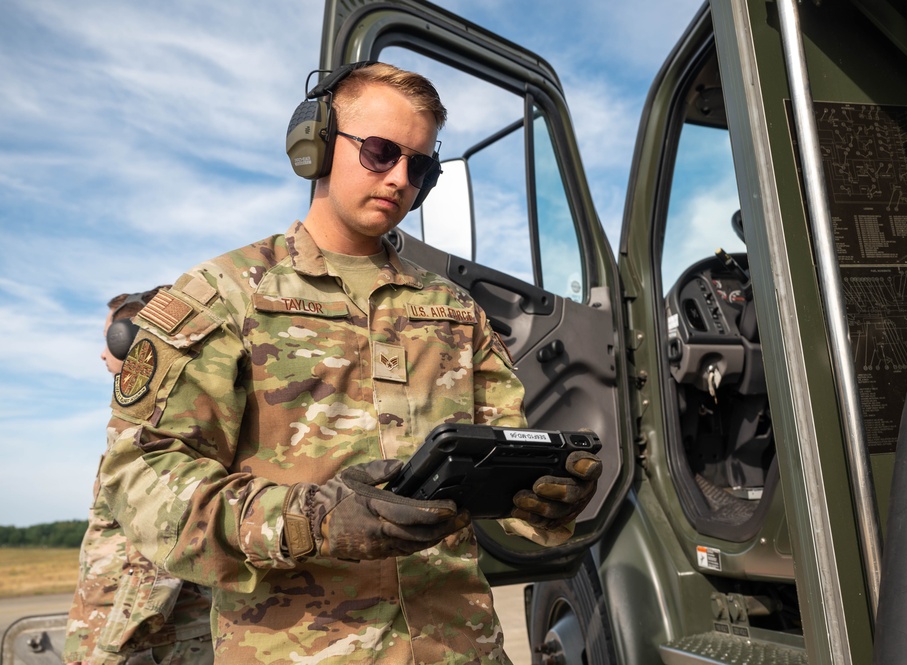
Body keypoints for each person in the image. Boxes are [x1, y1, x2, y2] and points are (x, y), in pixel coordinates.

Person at [99, 62, 601, 664]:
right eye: (381, 152)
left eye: (420, 166)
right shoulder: (222, 296)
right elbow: (140, 481)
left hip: (460, 649)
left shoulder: (454, 311)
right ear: (313, 145)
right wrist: (311, 521)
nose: (399, 179)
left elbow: (500, 462)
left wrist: (542, 503)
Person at [65, 286, 213, 665]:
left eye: (108, 339)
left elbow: (151, 554)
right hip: (132, 630)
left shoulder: (156, 428)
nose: (102, 353)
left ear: (132, 338)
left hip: (145, 639)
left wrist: (115, 650)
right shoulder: (145, 422)